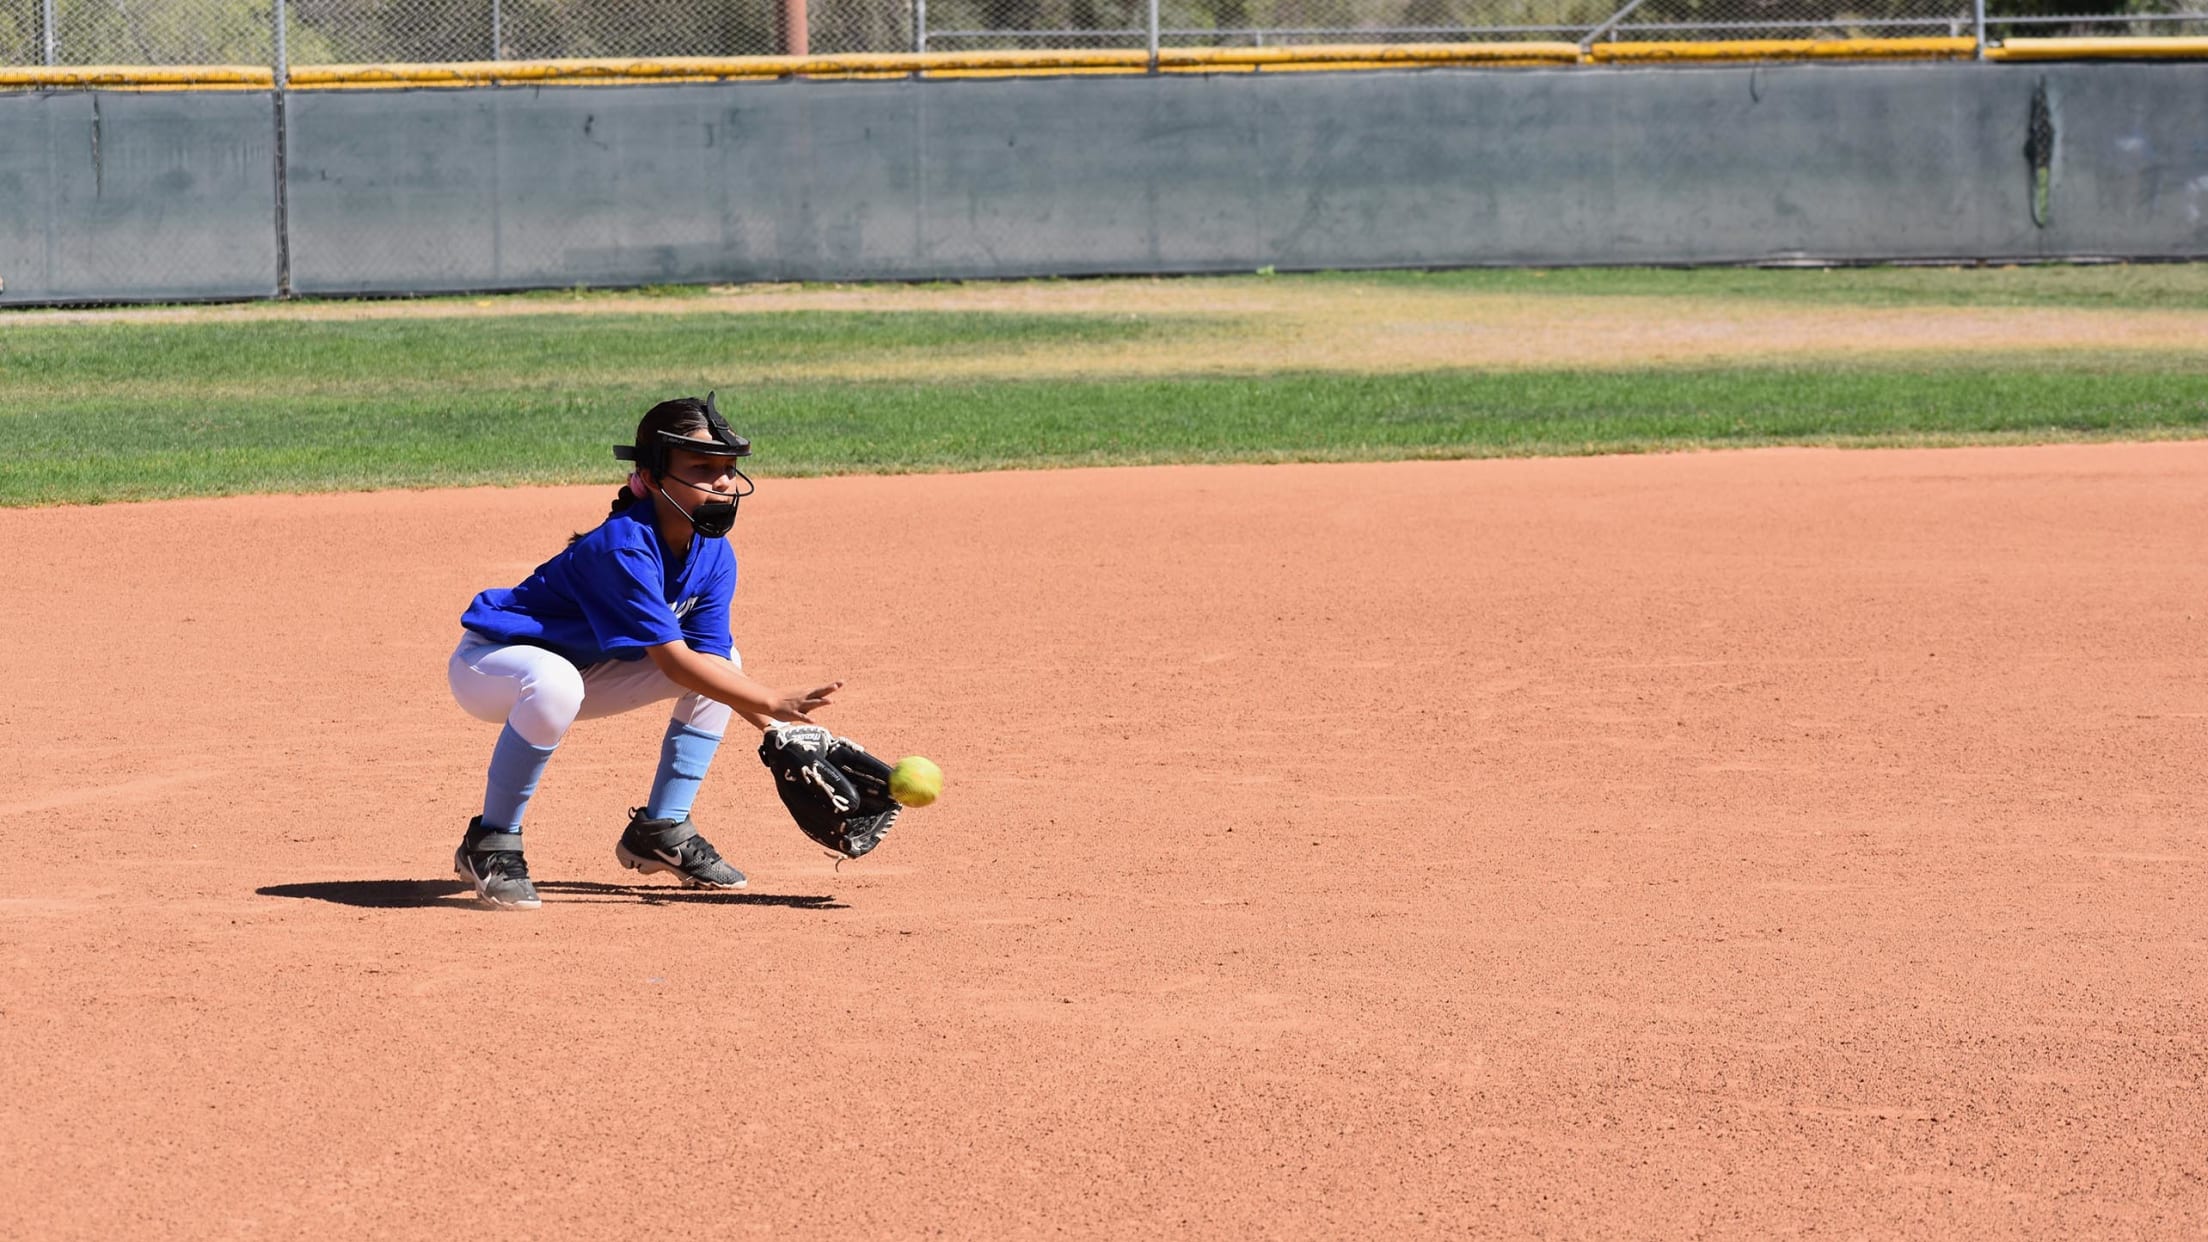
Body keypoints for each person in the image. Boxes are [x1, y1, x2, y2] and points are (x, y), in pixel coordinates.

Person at [444, 394, 841, 909]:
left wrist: (779, 731)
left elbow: (708, 662)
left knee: (726, 665)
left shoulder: (714, 552)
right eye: (702, 468)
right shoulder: (623, 547)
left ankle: (662, 828)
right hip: (494, 665)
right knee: (557, 681)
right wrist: (770, 702)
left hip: (583, 673)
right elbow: (673, 664)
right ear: (652, 478)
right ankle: (490, 840)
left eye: (727, 469)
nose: (721, 482)